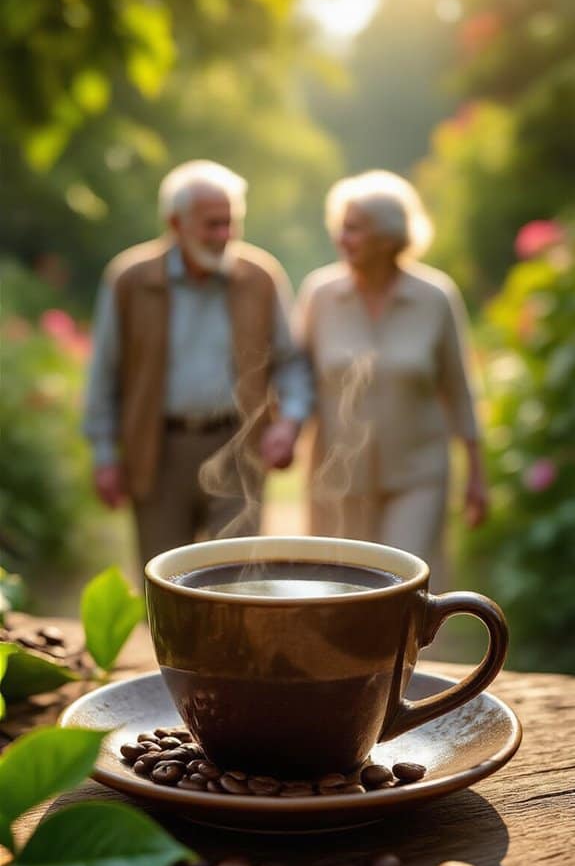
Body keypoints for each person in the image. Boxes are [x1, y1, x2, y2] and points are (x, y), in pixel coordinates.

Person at [84, 160, 313, 567]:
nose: (224, 235)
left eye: (231, 223)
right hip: (157, 453)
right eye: (212, 224)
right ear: (176, 222)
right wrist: (104, 455)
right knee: (167, 581)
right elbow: (105, 371)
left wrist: (289, 423)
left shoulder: (260, 276)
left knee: (238, 584)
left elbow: (291, 362)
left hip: (239, 449)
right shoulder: (130, 280)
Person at [294, 170, 487, 584]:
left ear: (387, 238)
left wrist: (477, 473)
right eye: (340, 227)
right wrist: (284, 430)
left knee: (404, 582)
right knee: (344, 589)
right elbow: (297, 375)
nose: (341, 238)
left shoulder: (435, 297)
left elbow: (460, 387)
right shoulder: (320, 295)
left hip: (418, 473)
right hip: (339, 476)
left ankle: (409, 651)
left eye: (354, 229)